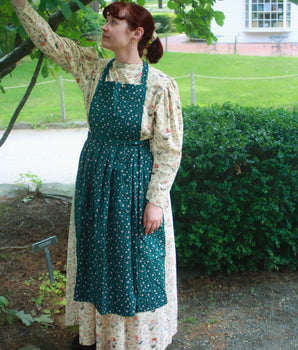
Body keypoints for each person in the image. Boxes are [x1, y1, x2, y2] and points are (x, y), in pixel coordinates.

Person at [11, 1, 183, 349]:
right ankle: (98, 337)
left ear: (136, 34)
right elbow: (48, 41)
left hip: (134, 188)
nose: (105, 26)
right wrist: (21, 5)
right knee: (96, 258)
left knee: (135, 266)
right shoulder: (92, 69)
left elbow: (169, 149)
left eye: (114, 21)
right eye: (105, 19)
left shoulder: (160, 86)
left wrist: (155, 202)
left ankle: (135, 341)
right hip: (95, 181)